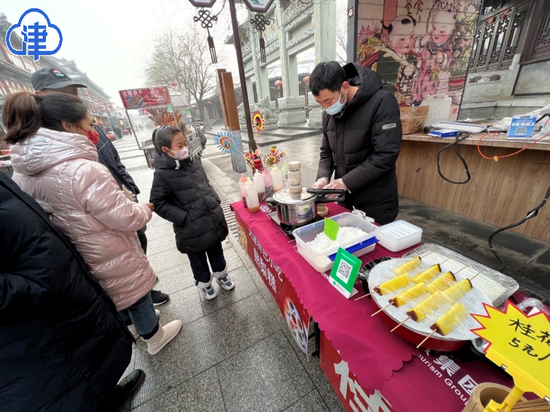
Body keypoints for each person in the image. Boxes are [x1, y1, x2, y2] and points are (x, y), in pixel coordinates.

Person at [4, 92, 182, 355]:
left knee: (113, 294)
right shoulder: (83, 170)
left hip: (75, 252)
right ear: (68, 126)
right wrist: (141, 208)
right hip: (106, 246)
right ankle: (154, 335)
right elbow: (125, 217)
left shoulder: (22, 171)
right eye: (88, 124)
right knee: (134, 288)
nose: (93, 130)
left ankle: (132, 326)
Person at [0, 171, 144, 411]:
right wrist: (44, 281)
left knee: (84, 377)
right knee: (65, 390)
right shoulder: (79, 169)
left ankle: (107, 395)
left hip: (59, 307)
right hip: (35, 322)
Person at [31, 67, 169, 307]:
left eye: (73, 91)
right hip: (95, 227)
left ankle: (141, 292)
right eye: (63, 92)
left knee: (135, 251)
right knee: (115, 270)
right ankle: (139, 314)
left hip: (118, 203)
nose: (72, 97)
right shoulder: (40, 146)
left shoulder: (88, 126)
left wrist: (129, 187)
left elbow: (114, 160)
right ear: (41, 95)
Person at [309, 61, 402, 225]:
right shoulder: (329, 113)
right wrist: (323, 178)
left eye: (328, 101)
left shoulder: (382, 102)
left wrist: (345, 182)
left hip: (376, 201)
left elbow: (385, 155)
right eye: (320, 103)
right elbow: (326, 152)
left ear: (345, 87)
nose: (325, 108)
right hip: (346, 200)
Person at [149, 126, 234, 300]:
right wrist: (183, 217)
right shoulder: (162, 175)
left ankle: (221, 274)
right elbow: (157, 202)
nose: (185, 148)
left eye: (185, 143)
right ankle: (205, 284)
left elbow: (206, 183)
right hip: (190, 228)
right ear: (166, 150)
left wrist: (214, 200)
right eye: (179, 146)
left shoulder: (194, 162)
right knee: (197, 258)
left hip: (210, 219)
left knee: (216, 250)